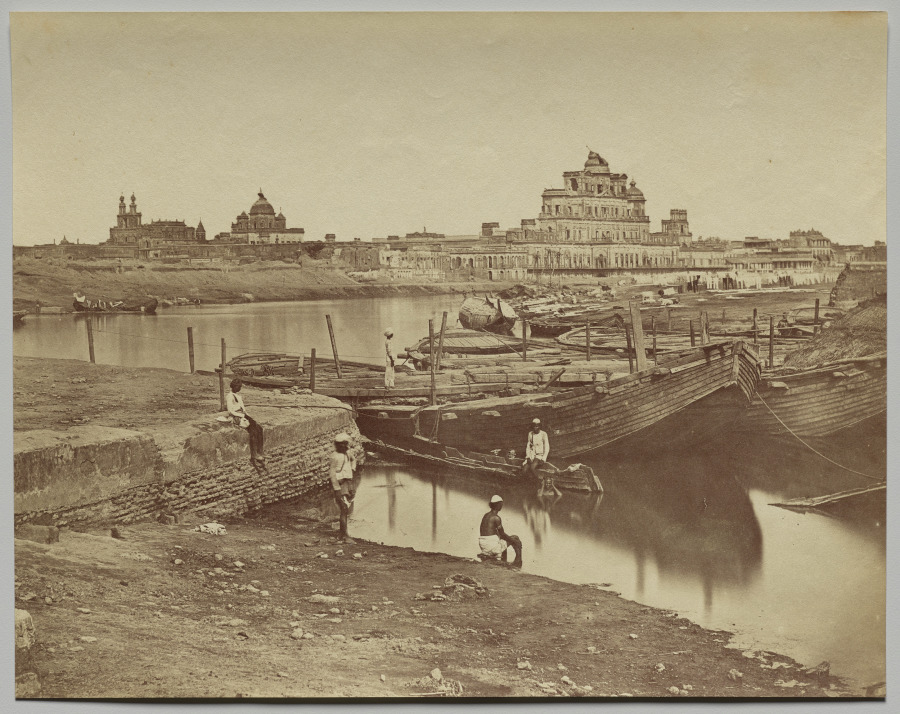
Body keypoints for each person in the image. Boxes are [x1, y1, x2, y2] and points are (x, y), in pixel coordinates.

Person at [226, 378, 266, 472]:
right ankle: (254, 454)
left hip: (243, 415)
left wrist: (248, 416)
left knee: (259, 428)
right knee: (252, 431)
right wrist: (242, 415)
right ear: (234, 386)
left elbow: (243, 408)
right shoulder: (230, 396)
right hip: (236, 416)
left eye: (240, 387)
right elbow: (230, 410)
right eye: (238, 387)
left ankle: (260, 451)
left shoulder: (238, 396)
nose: (239, 388)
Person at [329, 433, 357, 543]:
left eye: (344, 444)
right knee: (344, 508)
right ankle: (344, 534)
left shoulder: (348, 453)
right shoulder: (335, 456)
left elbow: (353, 460)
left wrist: (353, 469)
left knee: (346, 508)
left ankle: (343, 534)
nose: (343, 447)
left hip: (348, 483)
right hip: (340, 484)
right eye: (340, 445)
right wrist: (337, 489)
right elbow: (332, 473)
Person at [478, 495, 522, 566]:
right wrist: (514, 541)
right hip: (491, 546)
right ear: (498, 505)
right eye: (501, 504)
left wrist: (507, 539)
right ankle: (518, 561)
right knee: (515, 538)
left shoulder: (486, 515)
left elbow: (498, 534)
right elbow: (502, 534)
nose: (502, 505)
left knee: (504, 541)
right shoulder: (496, 518)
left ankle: (504, 561)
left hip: (483, 545)